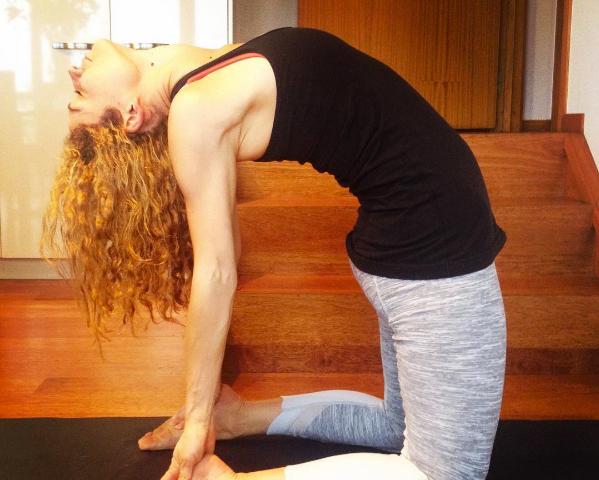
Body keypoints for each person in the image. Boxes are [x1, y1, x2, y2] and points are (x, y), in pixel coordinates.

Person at [42, 27, 507, 480]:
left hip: (416, 228)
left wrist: (214, 412)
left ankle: (240, 416)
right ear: (129, 115)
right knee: (449, 473)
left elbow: (229, 250)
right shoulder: (198, 108)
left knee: (394, 429)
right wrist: (197, 417)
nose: (72, 79)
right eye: (78, 102)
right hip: (431, 238)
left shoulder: (201, 74)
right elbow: (218, 269)